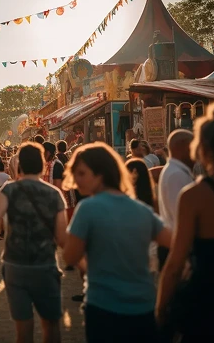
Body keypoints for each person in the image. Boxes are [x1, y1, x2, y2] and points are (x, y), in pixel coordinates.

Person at [156, 101, 214, 342]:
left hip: (206, 303)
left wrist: (161, 308)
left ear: (203, 149)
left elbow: (175, 264)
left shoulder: (194, 196)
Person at [63, 142, 172, 343]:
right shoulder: (141, 209)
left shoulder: (87, 208)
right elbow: (173, 242)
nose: (76, 180)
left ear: (100, 174)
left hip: (103, 307)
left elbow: (70, 256)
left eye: (81, 173)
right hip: (143, 307)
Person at [0, 142, 67, 343]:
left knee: (23, 327)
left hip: (15, 264)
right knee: (51, 324)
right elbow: (63, 237)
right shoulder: (54, 194)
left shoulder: (9, 190)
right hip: (45, 264)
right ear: (43, 165)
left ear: (18, 166)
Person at [156, 129, 194, 270]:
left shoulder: (175, 171)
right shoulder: (176, 174)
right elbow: (180, 217)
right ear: (183, 148)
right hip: (176, 247)